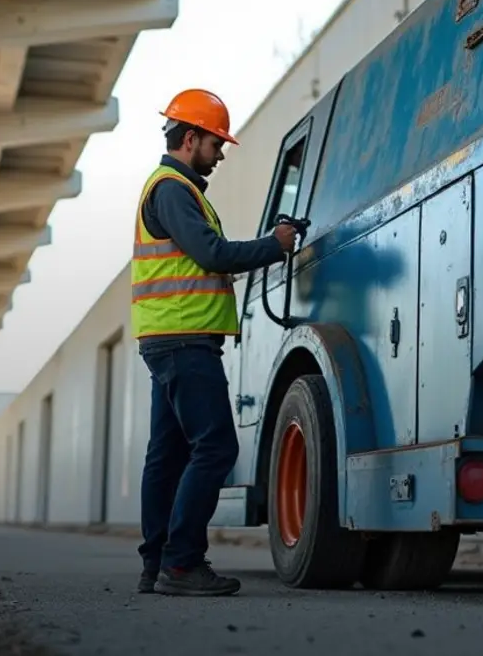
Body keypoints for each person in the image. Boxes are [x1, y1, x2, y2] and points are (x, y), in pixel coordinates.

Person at [132, 88, 298, 597]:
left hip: (170, 337)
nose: (220, 153)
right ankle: (181, 564)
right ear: (190, 138)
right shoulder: (173, 190)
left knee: (168, 454)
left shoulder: (174, 188)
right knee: (216, 446)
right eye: (215, 143)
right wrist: (276, 244)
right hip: (183, 340)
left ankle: (157, 564)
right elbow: (211, 253)